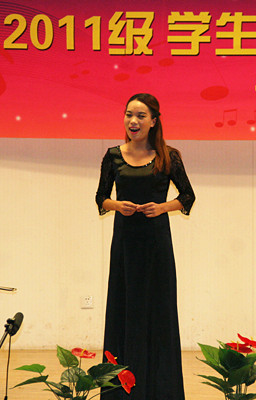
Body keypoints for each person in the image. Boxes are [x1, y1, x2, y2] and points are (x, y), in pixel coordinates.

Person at [95, 93, 195, 400]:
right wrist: (117, 205)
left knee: (157, 312)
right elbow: (100, 198)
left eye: (140, 116)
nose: (133, 121)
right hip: (125, 245)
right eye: (129, 114)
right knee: (123, 309)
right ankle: (120, 391)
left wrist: (162, 207)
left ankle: (159, 390)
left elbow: (188, 196)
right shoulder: (113, 155)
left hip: (156, 245)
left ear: (153, 121)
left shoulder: (168, 156)